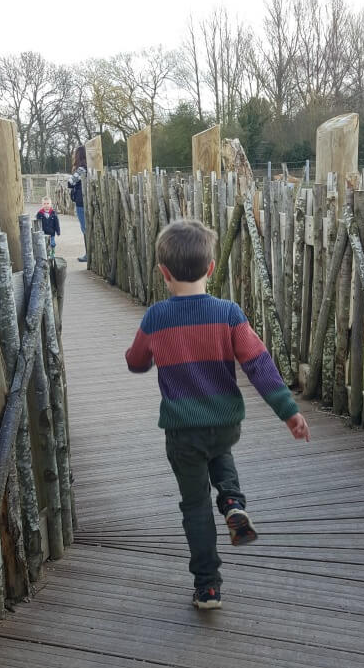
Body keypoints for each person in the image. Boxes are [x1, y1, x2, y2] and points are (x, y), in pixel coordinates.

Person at [125, 219, 310, 610]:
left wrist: (142, 354)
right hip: (224, 423)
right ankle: (232, 502)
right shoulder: (228, 313)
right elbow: (259, 364)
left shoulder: (156, 317)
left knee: (194, 507)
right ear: (211, 268)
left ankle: (208, 587)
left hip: (181, 431)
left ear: (164, 272)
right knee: (221, 453)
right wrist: (288, 411)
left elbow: (137, 363)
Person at [67, 146, 87, 263]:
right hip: (88, 201)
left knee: (85, 228)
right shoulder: (90, 167)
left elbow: (70, 182)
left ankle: (88, 254)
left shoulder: (81, 169)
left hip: (81, 202)